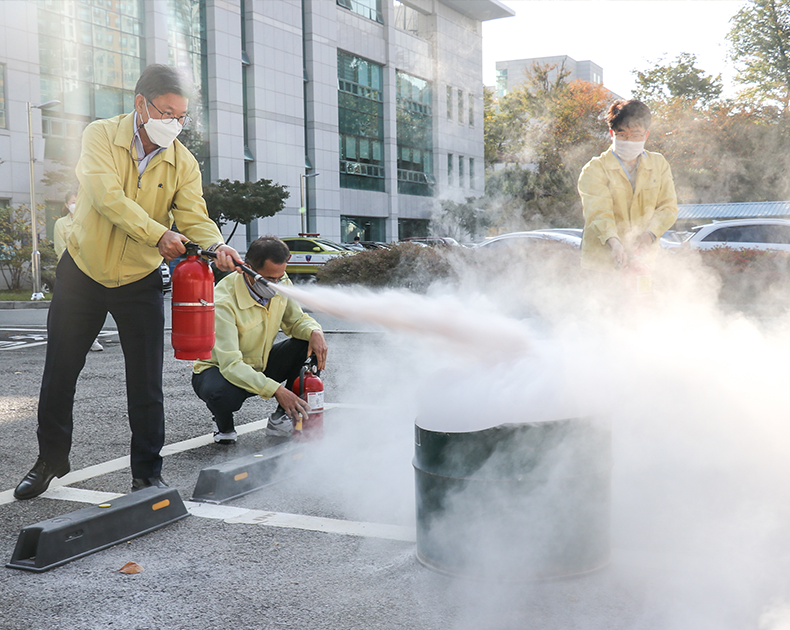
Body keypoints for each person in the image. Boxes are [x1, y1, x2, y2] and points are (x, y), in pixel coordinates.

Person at [14, 64, 241, 500]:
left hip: (138, 278)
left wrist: (215, 247)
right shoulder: (101, 135)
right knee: (61, 372)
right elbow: (105, 197)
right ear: (141, 104)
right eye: (167, 112)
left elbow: (194, 215)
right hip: (82, 271)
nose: (175, 123)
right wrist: (159, 234)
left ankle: (147, 473)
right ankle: (51, 460)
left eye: (182, 116)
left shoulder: (183, 161)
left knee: (145, 381)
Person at [191, 236, 328, 444]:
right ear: (247, 268)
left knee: (305, 343)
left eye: (279, 278)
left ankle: (282, 416)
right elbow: (231, 365)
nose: (275, 285)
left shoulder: (280, 282)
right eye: (268, 279)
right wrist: (277, 390)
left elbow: (296, 320)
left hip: (258, 364)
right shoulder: (222, 302)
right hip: (220, 371)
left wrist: (315, 331)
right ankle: (224, 425)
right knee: (220, 394)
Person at [578, 99, 678, 275]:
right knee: (602, 303)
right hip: (601, 264)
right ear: (612, 134)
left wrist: (650, 235)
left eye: (636, 135)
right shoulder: (594, 169)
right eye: (622, 134)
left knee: (642, 302)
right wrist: (614, 243)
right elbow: (598, 212)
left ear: (646, 135)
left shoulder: (658, 164)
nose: (629, 140)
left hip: (644, 261)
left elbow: (668, 207)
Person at [53, 191, 104, 352]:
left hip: (91, 269)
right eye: (72, 202)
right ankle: (69, 341)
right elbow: (60, 248)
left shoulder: (89, 219)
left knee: (91, 307)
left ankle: (92, 339)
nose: (75, 204)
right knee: (71, 308)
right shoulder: (61, 224)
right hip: (71, 271)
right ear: (67, 205)